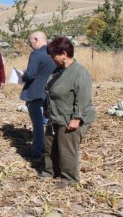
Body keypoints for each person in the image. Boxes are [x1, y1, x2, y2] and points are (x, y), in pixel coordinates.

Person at [41, 36, 96, 187]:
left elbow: (83, 97)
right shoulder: (58, 70)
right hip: (56, 116)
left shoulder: (79, 72)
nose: (52, 59)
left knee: (66, 149)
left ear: (64, 54)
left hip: (71, 118)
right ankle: (50, 171)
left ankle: (69, 178)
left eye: (54, 56)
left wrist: (76, 118)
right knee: (49, 145)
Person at [20, 31, 56, 162]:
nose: (30, 45)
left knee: (38, 124)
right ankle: (49, 147)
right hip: (50, 93)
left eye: (30, 42)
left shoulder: (36, 54)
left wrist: (22, 75)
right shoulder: (54, 53)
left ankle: (36, 151)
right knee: (47, 121)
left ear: (36, 39)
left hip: (35, 93)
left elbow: (30, 75)